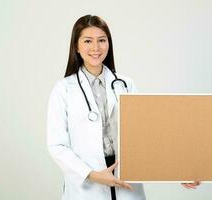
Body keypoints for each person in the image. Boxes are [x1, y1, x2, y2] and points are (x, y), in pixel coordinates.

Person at [47, 14, 200, 200]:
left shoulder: (125, 85)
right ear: (76, 47)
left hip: (127, 180)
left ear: (108, 44)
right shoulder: (63, 89)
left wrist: (177, 171)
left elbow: (145, 136)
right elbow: (57, 146)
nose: (96, 47)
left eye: (102, 40)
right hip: (88, 185)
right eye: (88, 41)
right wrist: (94, 175)